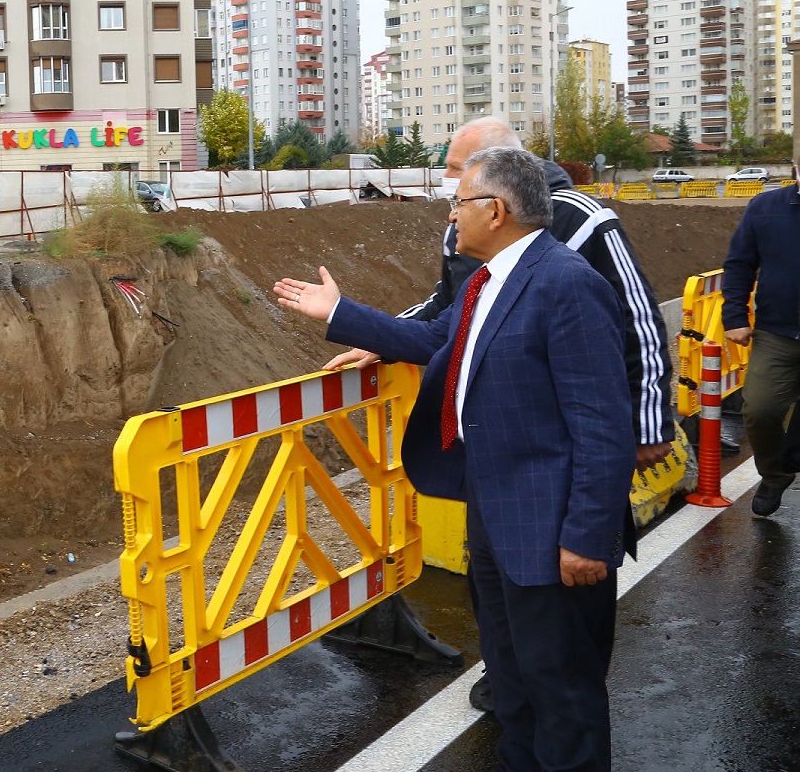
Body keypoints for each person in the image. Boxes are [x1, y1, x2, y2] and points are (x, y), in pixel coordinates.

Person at [276, 146, 635, 772]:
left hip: (551, 531)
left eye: (458, 204)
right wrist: (341, 317)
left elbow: (604, 424)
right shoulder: (489, 280)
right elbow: (437, 339)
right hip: (495, 516)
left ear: (494, 210)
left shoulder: (567, 285)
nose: (451, 216)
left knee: (561, 690)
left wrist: (585, 535)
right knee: (514, 683)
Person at [327, 117, 674, 714]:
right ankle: (514, 687)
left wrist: (649, 421)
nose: (447, 194)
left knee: (561, 666)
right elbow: (449, 312)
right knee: (510, 630)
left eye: (457, 176)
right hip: (493, 470)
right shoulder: (473, 242)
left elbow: (638, 320)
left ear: (498, 194)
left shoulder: (580, 233)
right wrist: (373, 329)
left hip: (550, 467)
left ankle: (554, 708)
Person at [720, 161, 800, 516]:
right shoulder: (766, 209)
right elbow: (739, 263)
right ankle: (775, 474)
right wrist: (734, 316)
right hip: (777, 332)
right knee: (760, 410)